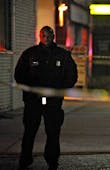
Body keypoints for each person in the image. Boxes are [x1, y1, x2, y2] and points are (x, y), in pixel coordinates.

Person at [14, 26, 78, 170]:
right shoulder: (30, 54)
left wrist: (59, 89)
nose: (46, 38)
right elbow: (19, 75)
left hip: (53, 101)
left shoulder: (62, 55)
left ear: (53, 36)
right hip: (33, 101)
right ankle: (25, 160)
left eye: (49, 35)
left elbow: (71, 75)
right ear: (39, 36)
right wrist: (30, 90)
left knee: (53, 132)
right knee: (30, 131)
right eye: (43, 35)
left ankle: (52, 161)